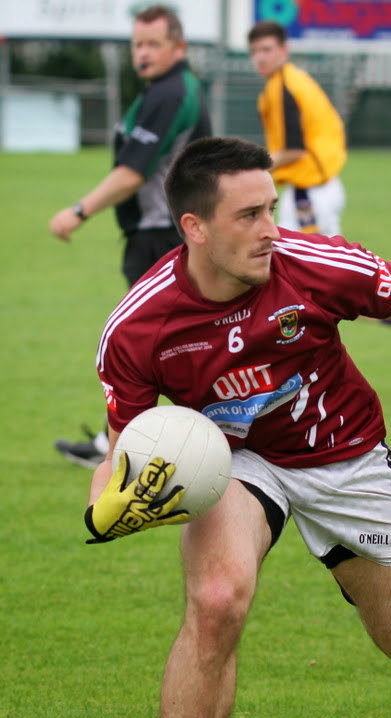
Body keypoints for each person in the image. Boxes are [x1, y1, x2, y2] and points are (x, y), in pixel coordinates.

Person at [84, 136, 391, 718]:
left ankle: (352, 564)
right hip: (234, 465)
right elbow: (126, 443)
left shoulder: (314, 264)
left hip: (345, 454)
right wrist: (101, 509)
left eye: (272, 208)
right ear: (194, 227)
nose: (273, 230)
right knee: (215, 605)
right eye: (250, 216)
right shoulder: (137, 326)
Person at [49, 4, 212, 468]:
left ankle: (124, 446)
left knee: (140, 343)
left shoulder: (169, 93)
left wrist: (79, 211)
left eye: (152, 44)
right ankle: (127, 440)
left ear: (178, 47)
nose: (142, 53)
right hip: (162, 232)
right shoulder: (168, 89)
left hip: (161, 234)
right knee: (158, 343)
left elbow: (133, 173)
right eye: (137, 44)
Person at [248, 19, 346, 236]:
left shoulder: (284, 87)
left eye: (267, 49)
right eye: (254, 51)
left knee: (308, 263)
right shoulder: (292, 80)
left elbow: (294, 150)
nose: (260, 57)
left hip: (311, 190)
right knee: (314, 263)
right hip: (317, 184)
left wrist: (253, 169)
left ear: (284, 50)